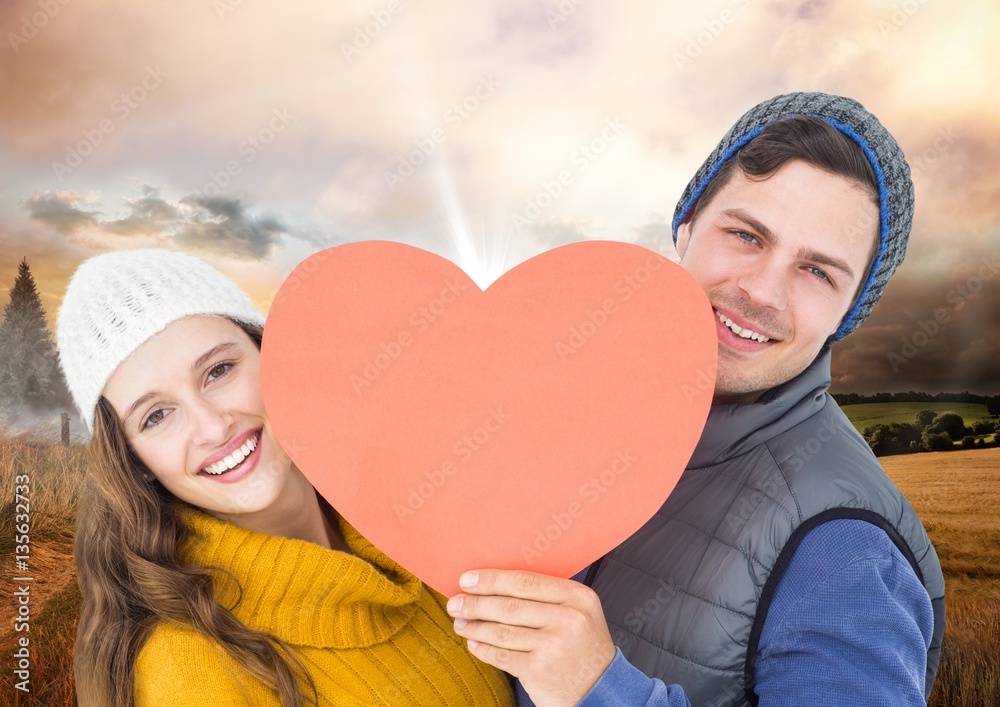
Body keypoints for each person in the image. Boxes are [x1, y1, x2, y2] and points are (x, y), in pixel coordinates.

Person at [445, 92, 946, 706]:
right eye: (745, 235)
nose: (761, 291)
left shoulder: (845, 550)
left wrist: (600, 689)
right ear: (685, 225)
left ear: (849, 314)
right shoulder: (558, 412)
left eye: (818, 272)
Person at [56, 249, 515, 706]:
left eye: (218, 371)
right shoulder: (188, 672)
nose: (213, 427)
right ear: (133, 461)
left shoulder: (428, 521)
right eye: (156, 416)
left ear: (271, 353)